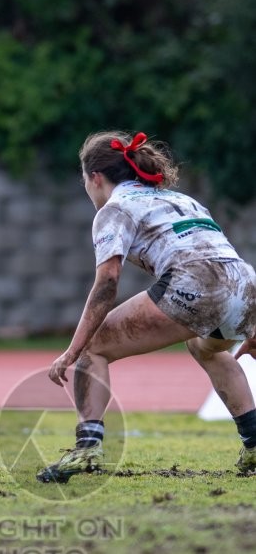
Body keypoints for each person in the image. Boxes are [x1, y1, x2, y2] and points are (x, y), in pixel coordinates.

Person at [37, 130, 256, 484]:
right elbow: (220, 259)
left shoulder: (115, 209)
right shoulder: (183, 200)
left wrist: (72, 350)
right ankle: (255, 441)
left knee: (94, 346)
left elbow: (107, 281)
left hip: (196, 282)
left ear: (95, 178)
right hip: (247, 285)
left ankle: (87, 448)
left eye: (84, 181)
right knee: (207, 348)